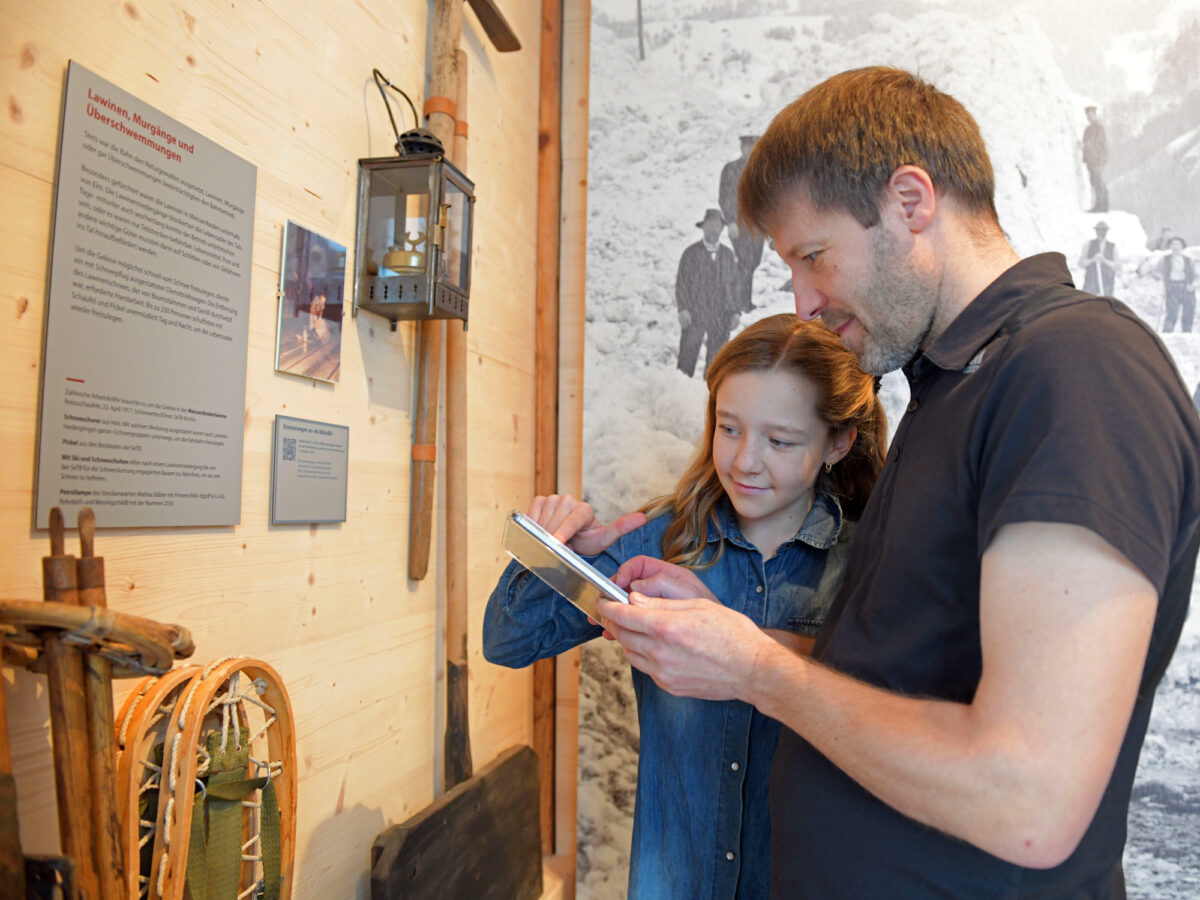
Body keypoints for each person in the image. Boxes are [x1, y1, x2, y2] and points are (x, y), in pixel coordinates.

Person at [595, 66, 1200, 898]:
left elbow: (1028, 797)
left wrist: (758, 672)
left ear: (911, 201)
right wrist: (731, 640)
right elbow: (908, 682)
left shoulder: (1074, 369)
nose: (805, 303)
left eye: (814, 257)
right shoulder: (953, 387)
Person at [483, 315, 887, 900]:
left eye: (779, 441)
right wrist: (550, 550)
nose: (745, 461)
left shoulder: (869, 564)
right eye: (729, 428)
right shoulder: (661, 542)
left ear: (838, 442)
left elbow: (897, 714)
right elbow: (509, 642)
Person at [676, 208, 740, 377]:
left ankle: (709, 391)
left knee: (717, 363)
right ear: (703, 227)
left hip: (721, 315)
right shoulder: (691, 253)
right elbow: (682, 283)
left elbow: (735, 286)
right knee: (686, 359)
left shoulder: (727, 255)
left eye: (718, 226)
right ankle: (681, 389)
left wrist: (735, 312)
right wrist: (683, 309)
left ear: (722, 229)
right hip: (695, 313)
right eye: (710, 225)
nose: (714, 229)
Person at [720, 135, 765, 311]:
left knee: (753, 262)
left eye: (753, 147)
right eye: (747, 147)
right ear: (741, 148)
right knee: (745, 261)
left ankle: (740, 300)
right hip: (739, 224)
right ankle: (740, 302)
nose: (750, 150)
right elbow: (725, 198)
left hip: (757, 225)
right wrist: (730, 221)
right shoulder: (730, 169)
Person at [1160, 235, 1196, 333]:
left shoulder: (1188, 260)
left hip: (1186, 287)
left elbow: (1196, 275)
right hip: (1172, 287)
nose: (1175, 247)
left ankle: (1187, 333)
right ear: (1170, 246)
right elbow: (1155, 269)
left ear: (1182, 246)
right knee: (1172, 312)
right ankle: (1167, 334)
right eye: (1173, 244)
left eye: (1178, 244)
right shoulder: (1165, 259)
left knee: (1188, 311)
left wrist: (1194, 285)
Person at [1079, 220, 1119, 296]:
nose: (1100, 232)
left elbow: (1117, 266)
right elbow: (1081, 263)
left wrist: (1104, 260)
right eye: (1098, 230)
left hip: (1107, 283)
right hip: (1090, 283)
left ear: (1106, 232)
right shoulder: (1088, 244)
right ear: (1096, 231)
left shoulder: (1113, 247)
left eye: (1103, 230)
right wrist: (1092, 260)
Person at [1082, 105, 1109, 212]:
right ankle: (1100, 205)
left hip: (1097, 159)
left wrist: (1086, 145)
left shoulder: (1098, 128)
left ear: (1094, 115)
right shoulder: (1089, 128)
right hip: (1091, 160)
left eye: (1090, 115)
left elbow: (1098, 143)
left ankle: (1101, 206)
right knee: (1095, 181)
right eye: (1087, 115)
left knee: (1098, 182)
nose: (1088, 117)